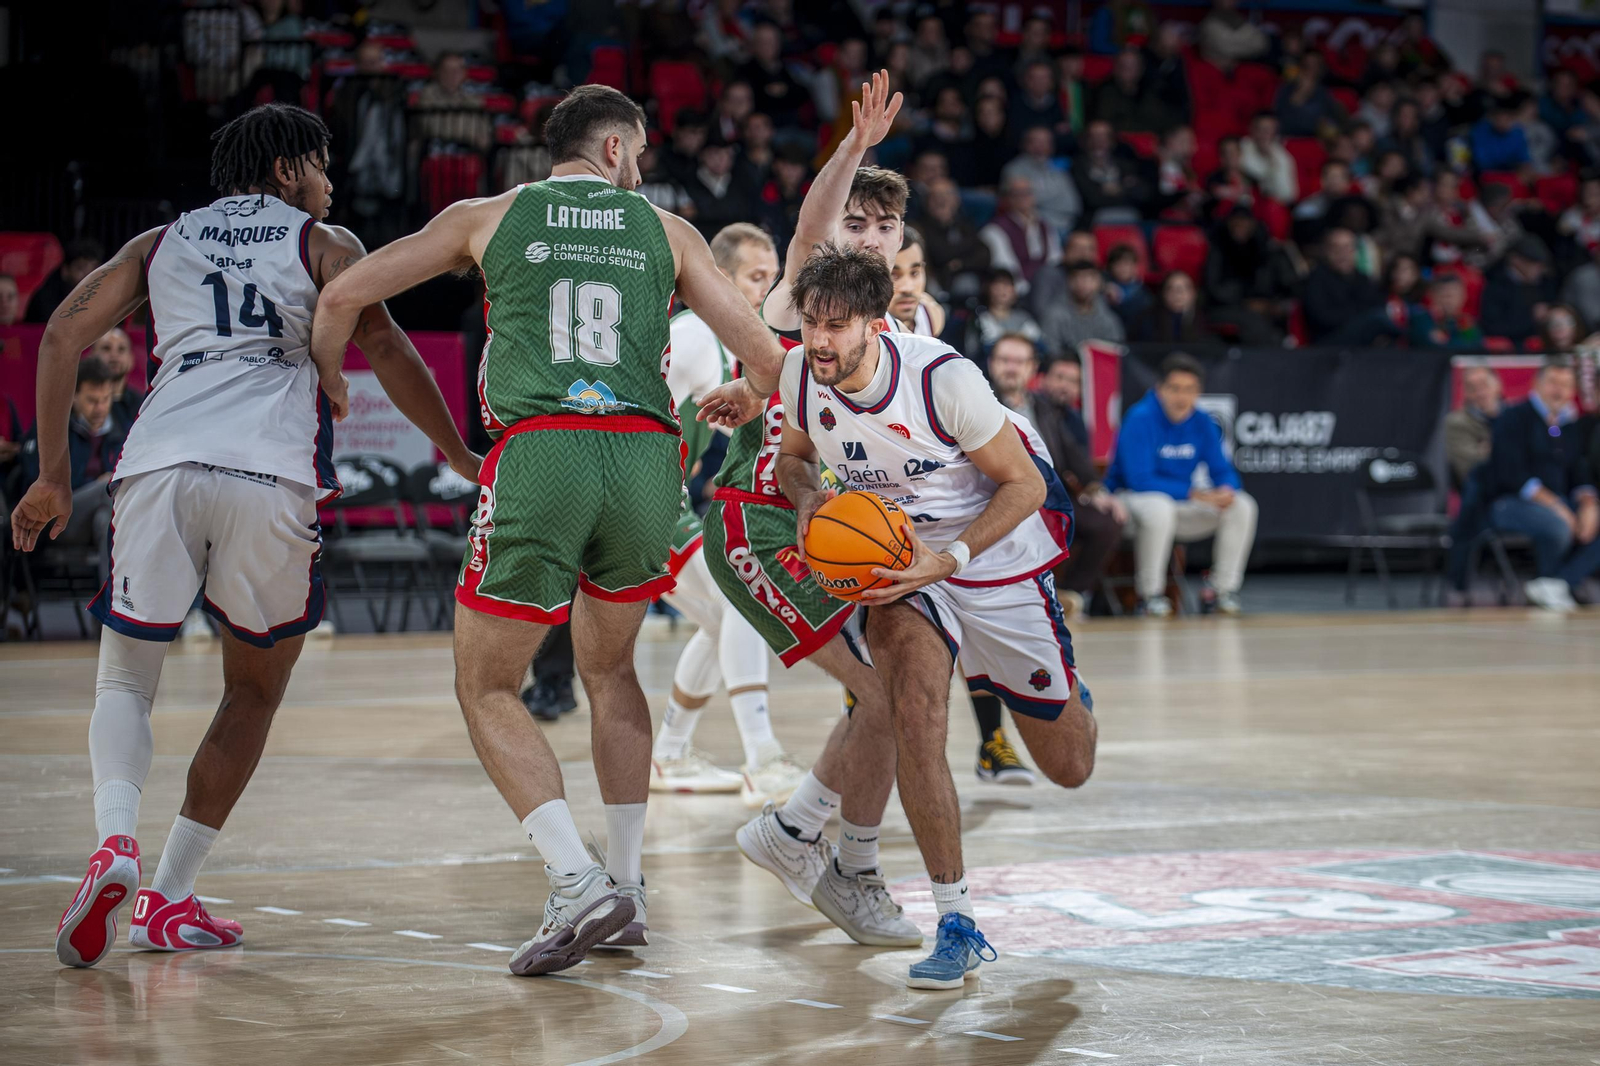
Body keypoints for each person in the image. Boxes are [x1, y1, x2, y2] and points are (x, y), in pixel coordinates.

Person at [309, 84, 792, 974]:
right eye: (639, 153)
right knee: (612, 670)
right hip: (647, 463)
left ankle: (577, 883)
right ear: (614, 151)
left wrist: (332, 386)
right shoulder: (671, 231)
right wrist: (748, 395)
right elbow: (765, 355)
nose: (641, 168)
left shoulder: (485, 216)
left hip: (544, 453)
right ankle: (628, 885)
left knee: (487, 685)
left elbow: (343, 295)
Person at [11, 103, 478, 970]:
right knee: (254, 689)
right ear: (290, 169)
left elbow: (64, 335)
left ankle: (116, 842)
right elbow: (391, 349)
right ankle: (170, 894)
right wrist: (460, 452)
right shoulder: (324, 244)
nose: (332, 183)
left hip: (159, 464)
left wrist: (52, 475)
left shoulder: (158, 243)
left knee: (126, 674)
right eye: (325, 166)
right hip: (271, 473)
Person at [766, 243, 1095, 989]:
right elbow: (792, 456)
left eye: (838, 324)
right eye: (812, 322)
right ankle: (956, 919)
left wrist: (950, 560)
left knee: (1069, 765)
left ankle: (1068, 692)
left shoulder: (944, 379)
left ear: (877, 325)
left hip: (994, 549)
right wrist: (808, 496)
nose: (819, 339)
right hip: (896, 561)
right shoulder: (799, 373)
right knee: (913, 709)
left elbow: (1023, 488)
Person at [667, 73, 927, 952]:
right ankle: (838, 858)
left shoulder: (907, 329)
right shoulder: (800, 296)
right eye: (857, 221)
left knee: (900, 688)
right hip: (763, 520)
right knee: (883, 692)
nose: (869, 236)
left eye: (884, 225)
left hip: (841, 522)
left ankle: (806, 835)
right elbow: (814, 228)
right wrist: (852, 150)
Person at [650, 222, 808, 801]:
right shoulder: (695, 334)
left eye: (774, 279)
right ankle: (762, 758)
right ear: (718, 279)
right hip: (640, 497)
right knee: (739, 602)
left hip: (662, 496)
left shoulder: (732, 343)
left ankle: (668, 755)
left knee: (721, 618)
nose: (768, 292)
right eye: (756, 278)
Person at [1105, 353, 1258, 616]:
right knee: (1159, 507)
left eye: (1189, 390)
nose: (1181, 397)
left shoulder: (1201, 422)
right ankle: (1150, 595)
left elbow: (1222, 470)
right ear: (1160, 389)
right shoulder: (1140, 418)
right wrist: (1196, 495)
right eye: (1174, 389)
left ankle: (1221, 591)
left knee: (1242, 505)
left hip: (1178, 507)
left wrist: (1226, 490)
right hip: (1129, 504)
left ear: (1198, 392)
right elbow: (1139, 480)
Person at [990, 336, 1126, 617]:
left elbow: (1072, 452)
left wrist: (1096, 489)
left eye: (1019, 362)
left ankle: (1071, 593)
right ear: (992, 364)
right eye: (1005, 361)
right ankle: (1020, 600)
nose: (1012, 368)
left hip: (1049, 495)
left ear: (1032, 368)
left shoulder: (1044, 407)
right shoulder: (979, 402)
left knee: (1107, 522)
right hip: (998, 497)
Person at [1482, 360, 1599, 610]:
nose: (1559, 391)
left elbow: (1579, 470)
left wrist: (1589, 503)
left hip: (1557, 501)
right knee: (1557, 525)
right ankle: (1556, 584)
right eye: (1553, 383)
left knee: (1587, 521)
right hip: (1509, 503)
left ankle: (1558, 584)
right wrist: (1557, 505)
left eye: (1566, 385)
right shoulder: (1514, 417)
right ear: (1537, 384)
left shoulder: (1568, 424)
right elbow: (1510, 474)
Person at [18, 356, 126, 582]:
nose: (100, 408)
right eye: (92, 400)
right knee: (107, 489)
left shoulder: (122, 429)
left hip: (105, 516)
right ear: (74, 396)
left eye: (105, 399)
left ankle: (106, 614)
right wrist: (97, 485)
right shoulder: (52, 429)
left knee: (105, 519)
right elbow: (35, 482)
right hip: (57, 520)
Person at [1203, 205, 1294, 345]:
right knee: (1254, 323)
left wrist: (1273, 304)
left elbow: (1289, 284)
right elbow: (1214, 288)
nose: (1240, 225)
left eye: (1244, 221)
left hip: (1268, 305)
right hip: (1227, 307)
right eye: (1235, 221)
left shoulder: (1269, 252)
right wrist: (1245, 302)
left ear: (1253, 224)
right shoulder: (1219, 250)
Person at [1303, 228, 1398, 345]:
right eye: (1336, 248)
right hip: (1328, 340)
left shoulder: (1362, 278)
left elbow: (1378, 302)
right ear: (1326, 251)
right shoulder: (1316, 279)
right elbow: (1322, 317)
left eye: (1348, 248)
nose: (1343, 253)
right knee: (1377, 321)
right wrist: (1359, 316)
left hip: (1360, 336)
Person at [979, 176, 1063, 298]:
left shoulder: (1045, 226)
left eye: (1027, 193)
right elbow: (1006, 267)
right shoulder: (995, 230)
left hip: (1046, 289)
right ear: (1008, 198)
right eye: (1017, 194)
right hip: (1017, 292)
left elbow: (1054, 259)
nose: (1024, 198)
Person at [913, 177, 990, 300]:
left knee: (967, 281)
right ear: (927, 202)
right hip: (933, 287)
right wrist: (964, 251)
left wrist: (959, 264)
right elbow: (940, 254)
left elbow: (984, 254)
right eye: (935, 195)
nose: (941, 200)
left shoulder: (964, 225)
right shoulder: (919, 228)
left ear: (956, 200)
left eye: (946, 194)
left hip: (963, 285)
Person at [999, 125, 1082, 233]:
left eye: (1046, 142)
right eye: (1036, 142)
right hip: (1031, 227)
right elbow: (1020, 204)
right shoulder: (1014, 170)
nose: (1041, 146)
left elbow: (1073, 205)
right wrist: (1053, 200)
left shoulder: (1059, 170)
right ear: (1025, 144)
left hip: (1066, 225)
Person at [1482, 235, 1559, 349]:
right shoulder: (1496, 286)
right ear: (1516, 260)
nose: (1539, 269)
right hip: (1511, 354)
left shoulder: (1545, 283)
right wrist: (1532, 318)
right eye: (1533, 263)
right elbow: (1493, 327)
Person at [1073, 119, 1152, 223]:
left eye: (1104, 136)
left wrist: (1111, 189)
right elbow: (1091, 199)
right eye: (1095, 136)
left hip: (1130, 219)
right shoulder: (1078, 166)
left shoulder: (1125, 165)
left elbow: (1143, 195)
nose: (1099, 141)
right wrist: (1124, 188)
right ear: (1086, 140)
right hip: (1093, 222)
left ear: (1112, 140)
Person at [1041, 260, 1125, 357]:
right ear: (1069, 281)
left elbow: (1116, 353)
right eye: (1077, 278)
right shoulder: (1054, 315)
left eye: (1089, 278)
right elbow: (1050, 352)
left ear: (1099, 282)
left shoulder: (1109, 319)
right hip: (1065, 369)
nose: (1082, 283)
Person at [967, 267, 1044, 369]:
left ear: (1014, 291)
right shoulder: (978, 320)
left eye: (1007, 285)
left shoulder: (1024, 318)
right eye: (997, 286)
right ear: (988, 288)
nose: (1002, 290)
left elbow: (1041, 349)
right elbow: (971, 354)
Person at [1445, 362, 1501, 487]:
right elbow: (1469, 468)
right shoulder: (1456, 423)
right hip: (1482, 491)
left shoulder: (1516, 415)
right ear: (1466, 393)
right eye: (1472, 388)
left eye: (1484, 385)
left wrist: (1487, 449)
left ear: (1497, 384)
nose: (1480, 393)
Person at [1093, 47, 1173, 134]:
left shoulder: (1151, 91)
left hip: (1150, 141)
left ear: (1141, 69)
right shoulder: (1104, 92)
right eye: (1123, 66)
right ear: (1115, 68)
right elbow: (1107, 124)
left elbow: (1162, 121)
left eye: (1133, 65)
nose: (1128, 70)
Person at [24, 240, 104, 323]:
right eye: (81, 268)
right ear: (65, 270)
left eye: (94, 269)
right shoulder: (45, 300)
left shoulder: (97, 291)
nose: (88, 275)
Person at [1274, 53, 1345, 139]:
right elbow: (1283, 119)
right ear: (1300, 67)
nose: (1310, 69)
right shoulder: (1286, 89)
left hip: (1316, 140)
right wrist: (1302, 92)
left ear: (1320, 69)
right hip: (1289, 138)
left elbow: (1333, 122)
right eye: (1306, 66)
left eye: (1315, 66)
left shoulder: (1324, 92)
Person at [1409, 272, 1483, 352]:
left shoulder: (1466, 322)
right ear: (1433, 296)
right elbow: (1433, 346)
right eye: (1446, 295)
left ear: (1464, 297)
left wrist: (1449, 342)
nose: (1450, 301)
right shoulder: (1422, 319)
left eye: (1455, 295)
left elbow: (1476, 345)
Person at [1133, 270, 1212, 344]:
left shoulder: (1207, 321)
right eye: (1171, 289)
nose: (1178, 294)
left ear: (1194, 293)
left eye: (1183, 288)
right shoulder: (1147, 320)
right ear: (1163, 294)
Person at [90, 327, 144, 428]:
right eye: (106, 348)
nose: (114, 356)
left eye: (121, 349)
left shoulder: (142, 406)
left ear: (131, 359)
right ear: (92, 356)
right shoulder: (76, 402)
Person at [1239, 112, 1298, 204]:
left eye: (1268, 130)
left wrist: (1272, 159)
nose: (1264, 134)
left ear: (1275, 132)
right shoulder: (1240, 147)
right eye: (1260, 129)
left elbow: (1288, 195)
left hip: (1271, 205)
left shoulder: (1283, 156)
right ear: (1252, 130)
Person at [1198, 0, 1267, 69]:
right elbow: (1227, 49)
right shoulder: (1209, 25)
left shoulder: (1238, 18)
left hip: (1238, 71)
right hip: (1215, 73)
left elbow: (1261, 43)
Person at [1471, 99, 1532, 173]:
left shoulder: (1518, 133)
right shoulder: (1480, 131)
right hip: (1487, 174)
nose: (1503, 122)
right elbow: (1481, 161)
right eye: (1499, 118)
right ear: (1492, 118)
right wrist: (1510, 163)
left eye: (1507, 119)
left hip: (1512, 174)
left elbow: (1524, 159)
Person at [1104, 244, 1154, 333]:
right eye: (1118, 264)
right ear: (1110, 267)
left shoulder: (1145, 296)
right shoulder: (1103, 288)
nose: (1123, 268)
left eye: (1127, 264)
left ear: (1135, 267)